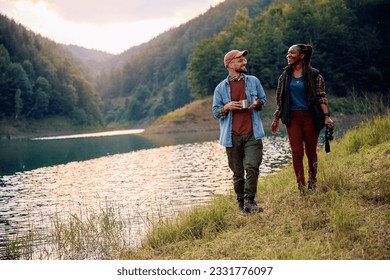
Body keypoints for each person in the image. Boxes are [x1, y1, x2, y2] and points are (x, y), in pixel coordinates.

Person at [271, 44, 335, 195]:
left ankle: (312, 181)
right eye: (287, 53)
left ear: (302, 56)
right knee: (296, 152)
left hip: (310, 117)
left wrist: (327, 116)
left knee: (311, 151)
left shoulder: (314, 74)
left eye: (292, 53)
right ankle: (301, 187)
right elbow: (281, 100)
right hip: (292, 118)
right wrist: (276, 119)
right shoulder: (284, 75)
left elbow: (321, 97)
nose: (289, 55)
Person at [212, 49, 267, 213]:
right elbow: (216, 112)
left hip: (252, 133)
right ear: (230, 64)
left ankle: (250, 200)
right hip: (231, 137)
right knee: (237, 173)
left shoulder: (253, 81)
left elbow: (263, 101)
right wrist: (226, 107)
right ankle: (241, 204)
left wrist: (257, 104)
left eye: (244, 59)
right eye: (240, 60)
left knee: (252, 166)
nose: (245, 62)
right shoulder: (220, 88)